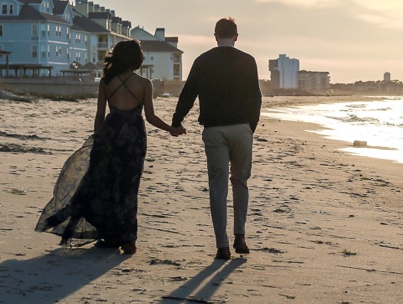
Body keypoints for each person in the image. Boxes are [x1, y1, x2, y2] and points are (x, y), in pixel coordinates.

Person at [37, 38, 178, 255]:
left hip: (108, 135)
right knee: (128, 188)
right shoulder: (144, 84)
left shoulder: (106, 82)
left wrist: (97, 140)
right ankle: (128, 239)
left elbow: (100, 115)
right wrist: (171, 129)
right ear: (137, 59)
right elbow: (150, 117)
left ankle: (111, 235)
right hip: (133, 138)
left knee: (105, 185)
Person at [170, 17, 262, 260]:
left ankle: (222, 246)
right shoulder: (247, 61)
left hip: (213, 130)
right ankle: (240, 234)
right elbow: (256, 97)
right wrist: (250, 126)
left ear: (215, 36)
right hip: (241, 127)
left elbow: (188, 93)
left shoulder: (203, 60)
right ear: (235, 36)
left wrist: (177, 120)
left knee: (218, 187)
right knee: (240, 181)